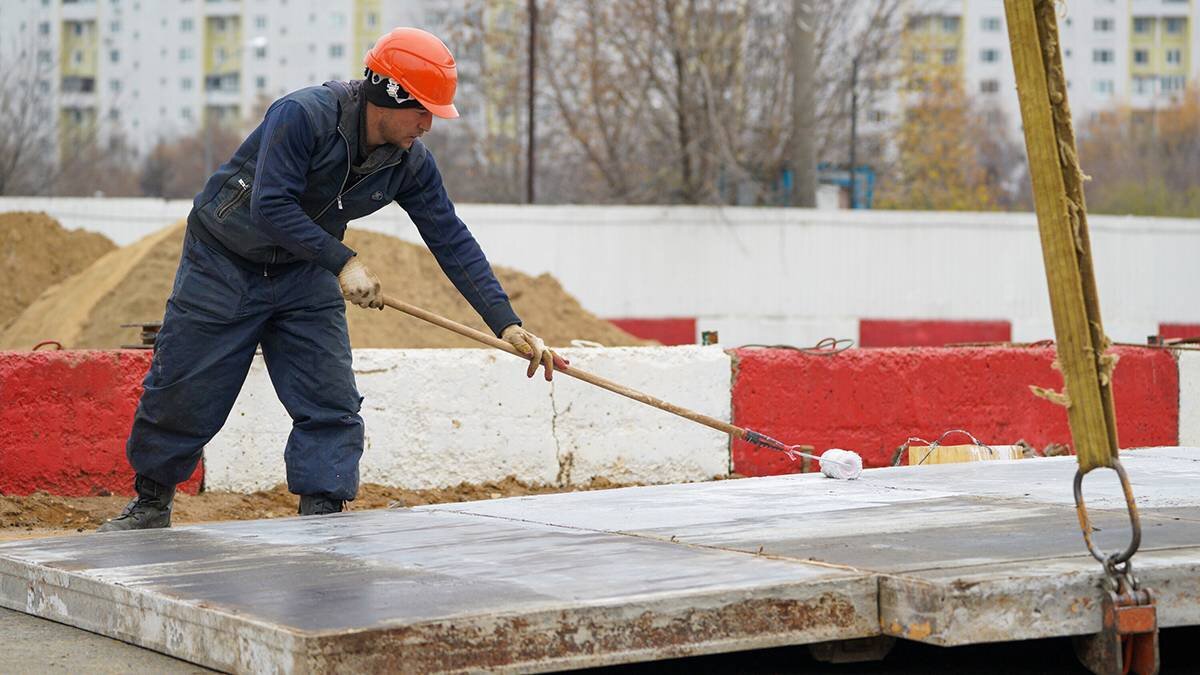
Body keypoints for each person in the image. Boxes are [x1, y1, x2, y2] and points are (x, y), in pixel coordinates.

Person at [99, 27, 563, 531]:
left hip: (306, 271)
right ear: (390, 96)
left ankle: (321, 518)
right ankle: (150, 504)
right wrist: (344, 261)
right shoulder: (302, 116)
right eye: (423, 110)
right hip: (225, 262)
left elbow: (450, 238)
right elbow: (271, 205)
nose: (428, 125)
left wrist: (505, 323)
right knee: (185, 387)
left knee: (330, 399)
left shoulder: (409, 162)